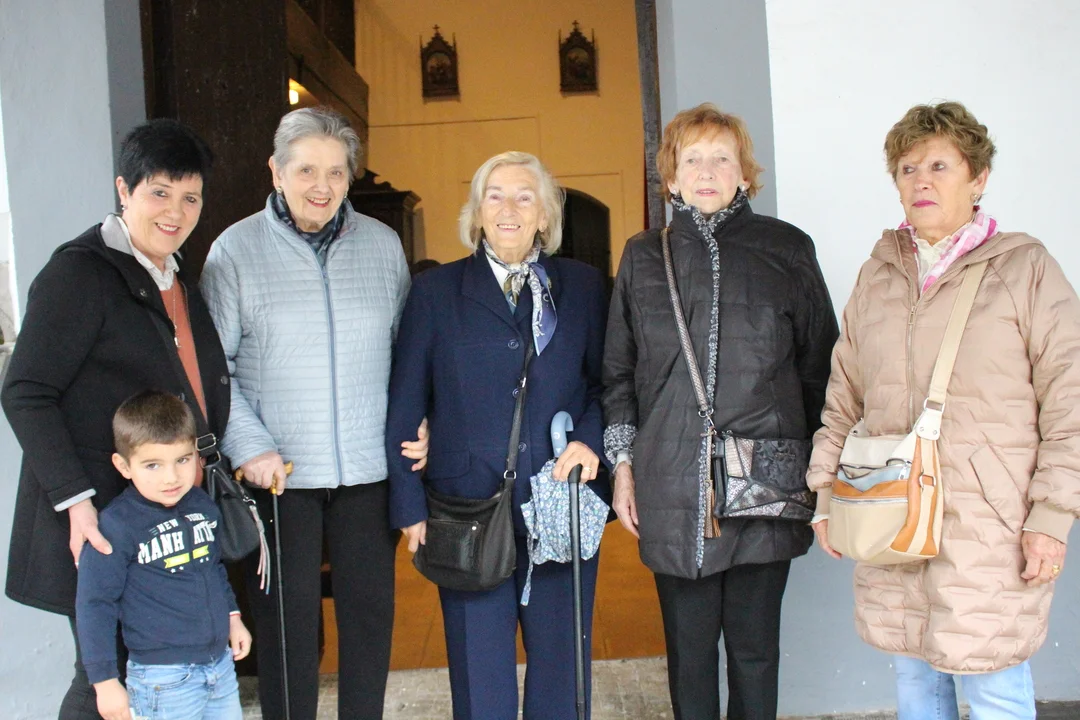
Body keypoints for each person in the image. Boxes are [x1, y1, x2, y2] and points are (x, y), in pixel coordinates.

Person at [808, 101, 1080, 720]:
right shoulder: (879, 275)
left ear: (978, 178)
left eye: (939, 166)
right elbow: (844, 394)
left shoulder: (1025, 269)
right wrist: (826, 493)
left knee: (992, 684)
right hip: (893, 511)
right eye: (908, 169)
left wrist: (1052, 516)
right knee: (915, 680)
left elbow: (1071, 400)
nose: (921, 181)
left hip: (991, 522)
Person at [602, 103, 838, 720]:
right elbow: (619, 373)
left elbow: (820, 368)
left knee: (756, 653)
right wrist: (623, 466)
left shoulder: (787, 249)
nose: (706, 172)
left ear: (745, 173)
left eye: (722, 158)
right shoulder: (642, 257)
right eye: (692, 159)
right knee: (689, 655)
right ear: (671, 177)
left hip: (767, 479)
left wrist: (823, 474)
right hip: (673, 484)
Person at [200, 106, 425, 720]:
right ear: (276, 172)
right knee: (287, 632)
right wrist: (249, 446)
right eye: (305, 170)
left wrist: (419, 426)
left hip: (367, 472)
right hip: (279, 477)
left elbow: (408, 358)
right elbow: (215, 369)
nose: (321, 186)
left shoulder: (381, 245)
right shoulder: (234, 250)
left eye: (335, 172)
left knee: (370, 625)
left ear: (351, 177)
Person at [2, 119, 228, 720]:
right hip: (103, 517)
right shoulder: (80, 273)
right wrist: (75, 501)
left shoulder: (175, 273)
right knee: (107, 677)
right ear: (124, 190)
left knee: (154, 674)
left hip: (164, 511)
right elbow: (25, 391)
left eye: (190, 198)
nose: (175, 212)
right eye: (160, 193)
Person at [385, 151, 610, 719]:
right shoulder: (435, 292)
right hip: (466, 506)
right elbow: (406, 401)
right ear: (477, 212)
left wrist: (590, 439)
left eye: (524, 197)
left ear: (544, 214)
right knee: (479, 672)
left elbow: (607, 384)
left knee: (562, 668)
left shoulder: (582, 287)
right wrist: (408, 504)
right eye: (495, 196)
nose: (509, 208)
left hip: (559, 500)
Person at [77, 391, 251, 720]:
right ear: (123, 466)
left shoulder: (202, 505)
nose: (171, 477)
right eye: (153, 465)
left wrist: (233, 617)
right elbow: (95, 604)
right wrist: (104, 682)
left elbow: (213, 567)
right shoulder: (117, 525)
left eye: (182, 460)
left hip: (220, 666)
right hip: (163, 679)